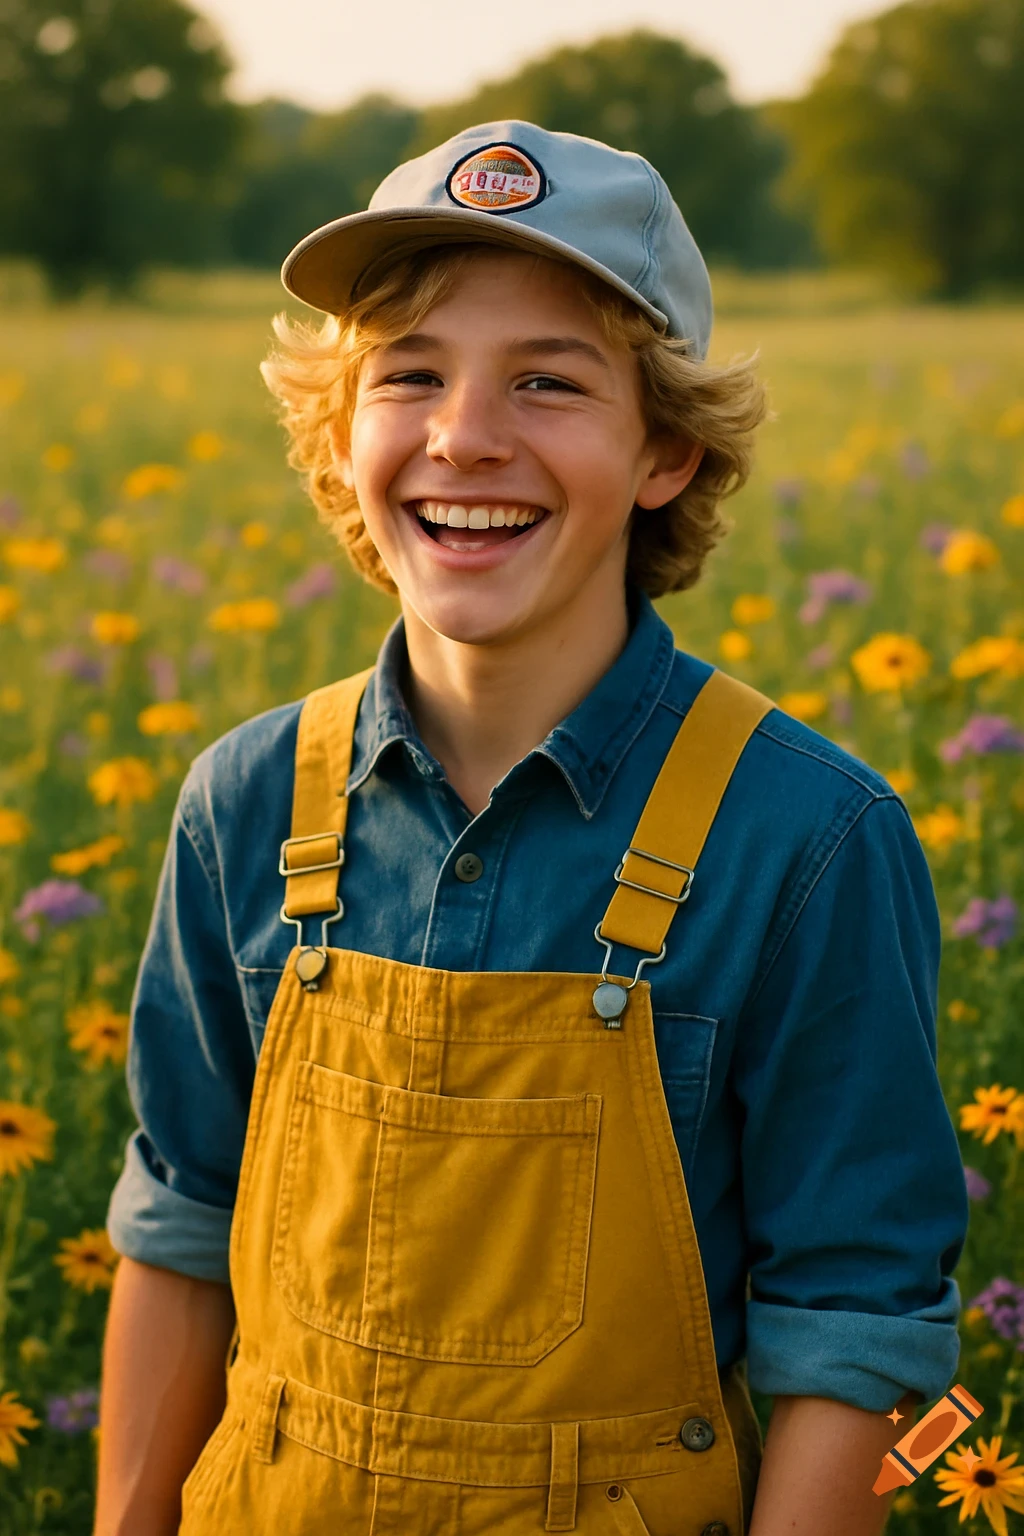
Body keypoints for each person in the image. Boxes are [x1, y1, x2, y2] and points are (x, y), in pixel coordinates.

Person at [94, 123, 968, 1536]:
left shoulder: (808, 839)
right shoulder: (243, 803)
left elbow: (853, 1337)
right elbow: (179, 1235)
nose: (465, 437)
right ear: (342, 434)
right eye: (410, 376)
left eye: (549, 383)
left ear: (668, 452)